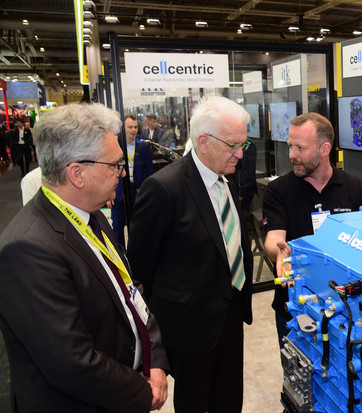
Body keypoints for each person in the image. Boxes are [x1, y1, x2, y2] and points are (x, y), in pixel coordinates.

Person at [0, 103, 169, 412]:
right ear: (77, 173)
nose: (121, 172)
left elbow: (130, 290)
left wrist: (154, 360)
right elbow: (72, 363)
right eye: (114, 165)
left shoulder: (91, 215)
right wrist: (142, 391)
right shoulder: (27, 249)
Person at [127, 96, 253, 413]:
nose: (240, 154)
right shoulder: (163, 189)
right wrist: (151, 344)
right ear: (203, 142)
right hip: (189, 331)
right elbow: (140, 272)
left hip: (230, 317)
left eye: (243, 145)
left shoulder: (226, 176)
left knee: (228, 402)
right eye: (233, 145)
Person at [262, 112, 362, 349]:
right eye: (290, 146)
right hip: (295, 307)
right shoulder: (278, 190)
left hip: (345, 310)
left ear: (325, 149)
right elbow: (274, 238)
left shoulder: (356, 189)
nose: (292, 155)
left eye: (300, 148)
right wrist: (281, 252)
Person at [107, 114, 154, 246]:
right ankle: (120, 254)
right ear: (123, 129)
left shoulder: (143, 147)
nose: (133, 130)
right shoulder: (114, 146)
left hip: (138, 192)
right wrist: (109, 193)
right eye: (130, 127)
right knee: (118, 225)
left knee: (138, 225)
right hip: (119, 191)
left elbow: (149, 172)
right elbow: (108, 171)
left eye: (135, 127)